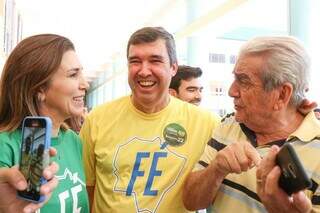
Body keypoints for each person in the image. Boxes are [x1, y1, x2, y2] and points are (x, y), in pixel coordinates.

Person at [80, 26, 221, 212]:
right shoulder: (97, 119)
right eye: (135, 61)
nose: (144, 71)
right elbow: (86, 189)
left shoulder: (207, 123)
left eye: (155, 60)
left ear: (173, 67)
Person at [182, 36, 320, 212]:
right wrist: (216, 169)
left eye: (244, 81)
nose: (231, 91)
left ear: (282, 95)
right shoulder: (229, 123)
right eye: (235, 79)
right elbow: (190, 202)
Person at [0, 34, 90, 213]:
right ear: (39, 88)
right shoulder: (5, 144)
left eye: (82, 73)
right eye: (73, 74)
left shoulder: (74, 140)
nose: (85, 84)